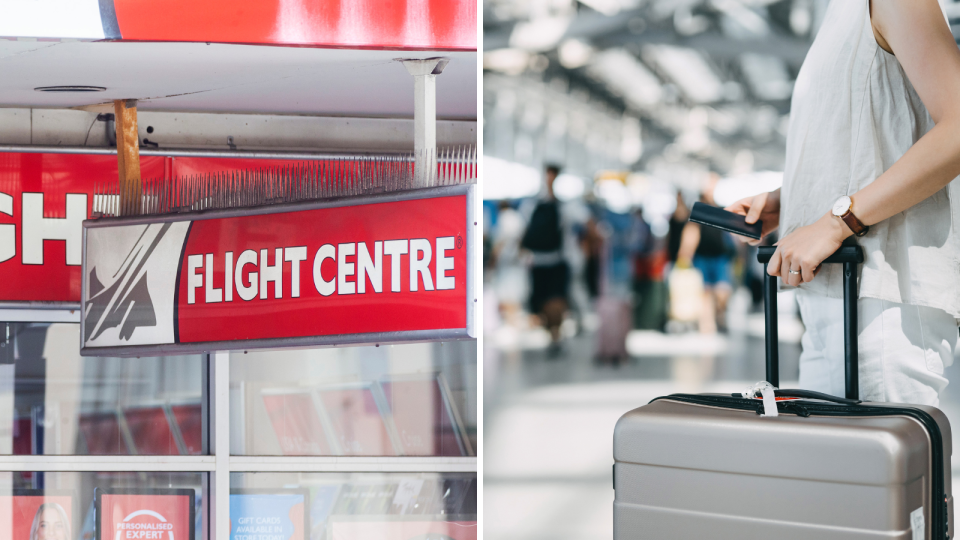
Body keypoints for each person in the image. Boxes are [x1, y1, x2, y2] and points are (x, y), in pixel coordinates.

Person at [727, 0, 960, 405]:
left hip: (879, 305)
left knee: (877, 465)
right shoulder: (841, 12)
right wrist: (790, 200)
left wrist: (837, 222)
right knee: (835, 465)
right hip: (833, 301)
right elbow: (868, 140)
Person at [521, 164, 569, 357]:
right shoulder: (559, 205)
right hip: (551, 261)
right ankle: (554, 335)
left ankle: (554, 335)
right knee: (551, 302)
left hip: (544, 261)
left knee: (551, 302)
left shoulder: (531, 204)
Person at [678, 191, 734, 334]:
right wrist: (685, 252)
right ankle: (707, 324)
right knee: (705, 292)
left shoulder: (721, 210)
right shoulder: (697, 212)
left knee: (722, 292)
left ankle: (720, 316)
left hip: (720, 256)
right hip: (702, 257)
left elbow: (731, 232)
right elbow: (691, 232)